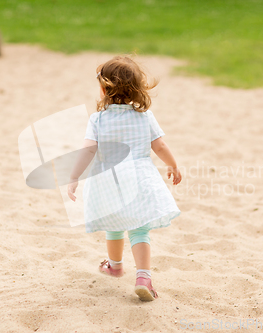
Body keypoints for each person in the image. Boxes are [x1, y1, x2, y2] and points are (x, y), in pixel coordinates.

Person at [67, 55, 181, 301]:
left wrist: (74, 175)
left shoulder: (97, 119)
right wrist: (172, 164)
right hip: (138, 178)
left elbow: (88, 150)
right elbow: (159, 146)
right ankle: (143, 277)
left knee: (115, 224)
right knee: (140, 230)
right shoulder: (144, 117)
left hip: (108, 181)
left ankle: (115, 265)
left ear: (104, 88)